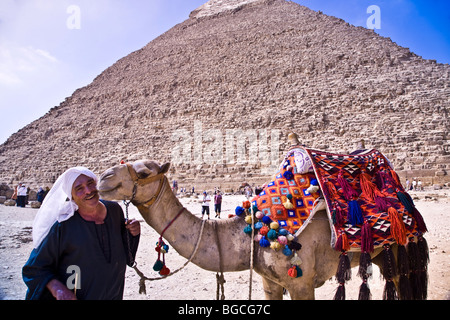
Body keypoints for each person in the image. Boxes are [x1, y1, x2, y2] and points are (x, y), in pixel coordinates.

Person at [22, 167, 140, 300]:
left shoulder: (114, 210)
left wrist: (132, 232)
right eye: (79, 189)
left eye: (90, 183)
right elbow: (34, 268)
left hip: (114, 293)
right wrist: (57, 289)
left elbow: (124, 251)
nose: (88, 191)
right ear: (71, 196)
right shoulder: (63, 225)